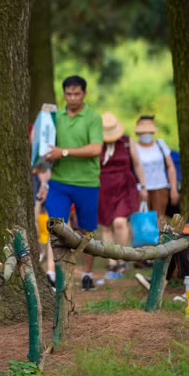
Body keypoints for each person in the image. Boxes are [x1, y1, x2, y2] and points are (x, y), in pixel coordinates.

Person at [39, 75, 103, 291]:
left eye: (77, 93)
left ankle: (87, 274)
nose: (72, 97)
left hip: (86, 182)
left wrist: (63, 152)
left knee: (86, 230)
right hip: (59, 182)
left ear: (84, 94)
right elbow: (42, 141)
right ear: (63, 94)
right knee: (56, 225)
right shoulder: (56, 117)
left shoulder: (93, 117)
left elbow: (95, 149)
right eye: (68, 94)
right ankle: (52, 273)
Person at [97, 112, 145, 277]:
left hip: (124, 186)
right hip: (103, 187)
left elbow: (137, 164)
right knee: (106, 225)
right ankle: (111, 262)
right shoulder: (96, 143)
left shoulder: (126, 142)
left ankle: (122, 257)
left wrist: (143, 185)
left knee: (120, 222)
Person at [134, 115, 179, 221]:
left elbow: (171, 167)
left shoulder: (160, 144)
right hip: (141, 190)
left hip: (160, 188)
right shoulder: (134, 147)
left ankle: (159, 237)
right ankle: (143, 238)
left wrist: (173, 189)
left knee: (160, 219)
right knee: (143, 220)